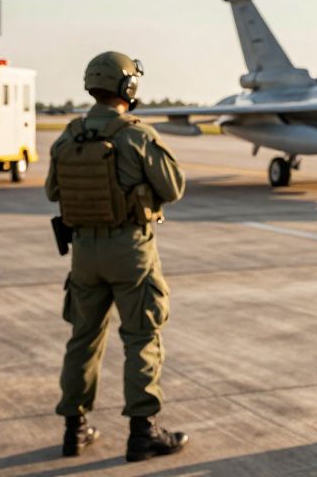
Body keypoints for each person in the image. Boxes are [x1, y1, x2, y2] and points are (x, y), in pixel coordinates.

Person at [46, 52, 189, 461]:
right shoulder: (136, 135)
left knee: (82, 340)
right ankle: (143, 433)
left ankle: (74, 430)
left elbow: (52, 192)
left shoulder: (68, 135)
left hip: (84, 253)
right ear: (128, 87)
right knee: (141, 338)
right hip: (130, 251)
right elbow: (174, 187)